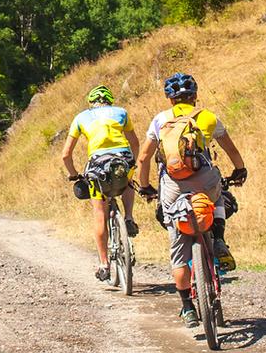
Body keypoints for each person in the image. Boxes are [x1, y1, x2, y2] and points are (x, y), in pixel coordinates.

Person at [135, 72, 247, 328]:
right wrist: (240, 170)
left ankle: (187, 306)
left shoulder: (160, 120)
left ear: (170, 98)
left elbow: (143, 158)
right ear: (195, 96)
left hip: (173, 184)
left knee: (177, 243)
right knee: (218, 196)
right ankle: (218, 239)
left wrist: (145, 187)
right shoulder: (207, 117)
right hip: (204, 179)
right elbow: (231, 149)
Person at [60, 84, 140, 282]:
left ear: (91, 102)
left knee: (99, 214)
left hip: (98, 164)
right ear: (109, 100)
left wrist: (73, 175)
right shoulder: (122, 112)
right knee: (129, 180)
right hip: (122, 157)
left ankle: (104, 264)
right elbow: (135, 143)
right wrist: (134, 164)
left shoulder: (81, 118)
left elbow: (65, 155)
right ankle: (128, 217)